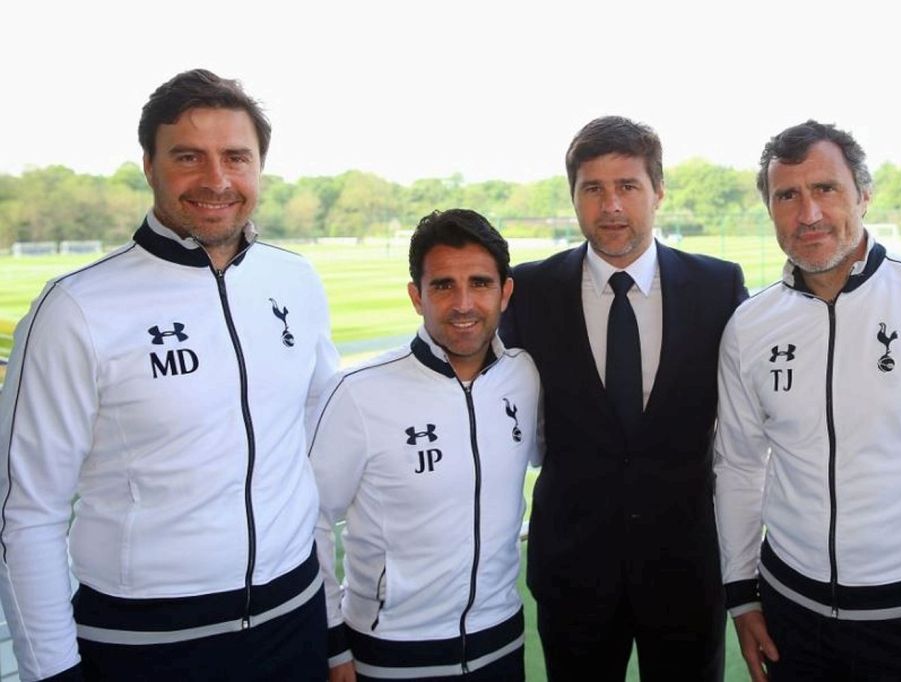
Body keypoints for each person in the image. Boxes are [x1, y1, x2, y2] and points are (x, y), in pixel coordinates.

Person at [0, 69, 339, 681]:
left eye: (236, 157)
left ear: (260, 166)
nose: (216, 180)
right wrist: (50, 672)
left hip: (295, 621)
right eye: (188, 156)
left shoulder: (297, 281)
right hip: (145, 646)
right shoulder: (75, 308)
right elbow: (27, 511)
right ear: (149, 166)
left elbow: (315, 455)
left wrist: (333, 624)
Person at [713, 119, 901, 682]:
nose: (808, 214)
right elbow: (738, 466)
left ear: (864, 193)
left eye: (825, 189)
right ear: (770, 208)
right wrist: (742, 594)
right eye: (788, 195)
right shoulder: (749, 325)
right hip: (791, 617)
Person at [499, 116, 747, 681]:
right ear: (574, 197)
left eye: (627, 186)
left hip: (685, 570)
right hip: (573, 571)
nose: (611, 205)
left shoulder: (718, 287)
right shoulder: (529, 291)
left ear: (657, 191)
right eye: (593, 188)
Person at [311, 209, 541, 682]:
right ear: (417, 296)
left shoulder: (526, 376)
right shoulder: (357, 391)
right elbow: (307, 520)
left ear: (506, 292)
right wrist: (333, 643)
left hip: (501, 646)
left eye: (479, 283)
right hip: (390, 655)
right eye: (442, 286)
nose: (463, 304)